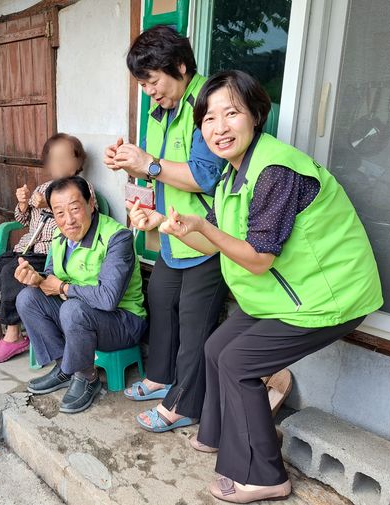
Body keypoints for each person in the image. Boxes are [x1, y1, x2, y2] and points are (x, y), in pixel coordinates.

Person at [159, 70, 383, 503]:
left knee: (239, 362)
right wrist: (173, 227)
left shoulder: (275, 170)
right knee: (215, 347)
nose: (219, 127)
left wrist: (204, 225)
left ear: (256, 115)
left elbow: (258, 258)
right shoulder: (233, 172)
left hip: (330, 296)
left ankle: (264, 474)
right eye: (208, 118)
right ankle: (222, 436)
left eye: (232, 113)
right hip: (285, 295)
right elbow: (227, 240)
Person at [103, 25, 228, 432]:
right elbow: (156, 169)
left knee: (195, 321)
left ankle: (185, 405)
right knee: (160, 300)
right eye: (142, 83)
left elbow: (205, 176)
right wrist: (131, 167)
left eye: (153, 81)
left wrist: (149, 165)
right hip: (174, 231)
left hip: (208, 234)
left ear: (179, 66)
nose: (149, 92)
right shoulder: (161, 110)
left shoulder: (207, 103)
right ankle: (160, 377)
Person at [14, 177, 147, 414]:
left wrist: (64, 289)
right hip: (81, 314)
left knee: (72, 309)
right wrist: (38, 280)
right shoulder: (59, 236)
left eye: (75, 209)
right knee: (27, 299)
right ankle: (65, 367)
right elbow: (51, 277)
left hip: (123, 321)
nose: (68, 220)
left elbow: (108, 299)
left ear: (91, 203)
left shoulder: (118, 237)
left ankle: (87, 376)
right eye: (60, 213)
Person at [0, 133, 98, 364]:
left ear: (78, 162)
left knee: (12, 273)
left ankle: (14, 334)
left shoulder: (82, 187)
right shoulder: (42, 187)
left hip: (49, 252)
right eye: (53, 158)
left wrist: (49, 203)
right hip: (27, 246)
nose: (58, 163)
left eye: (65, 157)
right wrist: (22, 203)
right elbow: (22, 220)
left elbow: (90, 217)